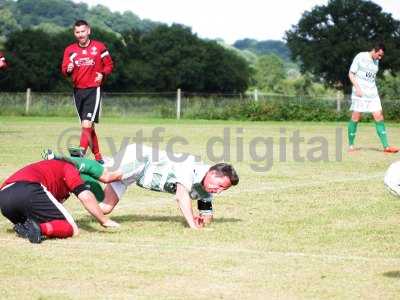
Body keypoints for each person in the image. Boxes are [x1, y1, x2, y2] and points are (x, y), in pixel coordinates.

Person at [98, 143, 239, 229]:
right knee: (107, 177)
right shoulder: (190, 165)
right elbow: (181, 196)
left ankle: (102, 164)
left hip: (137, 175)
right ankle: (79, 164)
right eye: (220, 186)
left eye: (223, 189)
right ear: (213, 173)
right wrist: (192, 225)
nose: (219, 191)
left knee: (103, 209)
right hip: (140, 158)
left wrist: (201, 221)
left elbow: (207, 216)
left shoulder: (205, 190)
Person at [0, 160, 119, 244]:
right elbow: (85, 195)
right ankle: (40, 229)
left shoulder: (49, 167)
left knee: (40, 222)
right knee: (71, 228)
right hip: (29, 189)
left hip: (4, 198)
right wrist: (104, 220)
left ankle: (26, 228)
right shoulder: (69, 167)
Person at [61, 20, 114, 164]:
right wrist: (68, 69)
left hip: (93, 90)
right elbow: (64, 69)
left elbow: (109, 65)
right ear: (74, 33)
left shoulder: (99, 47)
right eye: (77, 32)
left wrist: (103, 73)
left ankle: (79, 155)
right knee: (89, 127)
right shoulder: (69, 50)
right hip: (77, 91)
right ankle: (98, 157)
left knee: (86, 124)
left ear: (88, 31)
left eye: (83, 31)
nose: (80, 35)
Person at [347, 43, 398, 153]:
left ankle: (386, 147)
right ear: (374, 50)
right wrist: (357, 88)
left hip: (372, 93)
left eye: (381, 56)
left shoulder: (376, 61)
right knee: (356, 116)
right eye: (379, 55)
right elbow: (351, 74)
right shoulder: (361, 56)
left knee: (378, 115)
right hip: (359, 92)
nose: (380, 58)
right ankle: (351, 146)